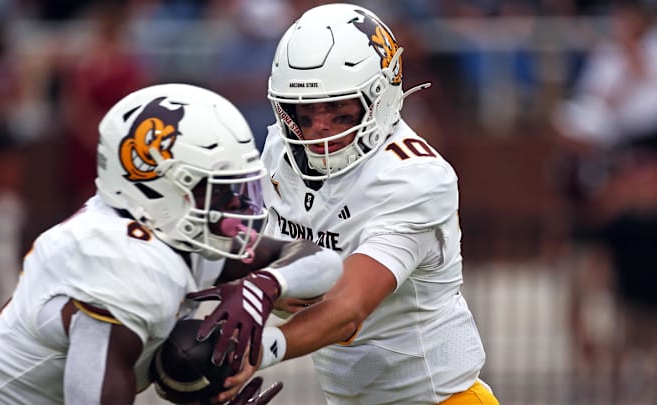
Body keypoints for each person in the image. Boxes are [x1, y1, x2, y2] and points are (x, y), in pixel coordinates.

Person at [0, 83, 343, 404]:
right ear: (157, 186)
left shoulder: (168, 231)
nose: (235, 205)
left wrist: (264, 286)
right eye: (217, 190)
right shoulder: (122, 259)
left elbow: (321, 261)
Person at [189, 4, 500, 404]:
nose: (319, 127)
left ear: (379, 97)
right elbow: (269, 267)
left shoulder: (415, 177)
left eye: (339, 110)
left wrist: (254, 349)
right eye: (306, 109)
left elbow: (348, 307)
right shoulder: (281, 150)